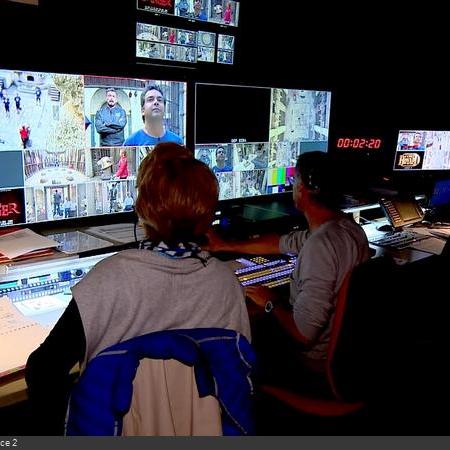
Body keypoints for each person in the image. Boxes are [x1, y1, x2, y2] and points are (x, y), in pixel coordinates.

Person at [25, 142, 250, 435]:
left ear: (141, 208)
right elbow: (239, 377)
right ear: (207, 216)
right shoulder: (227, 284)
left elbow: (43, 371)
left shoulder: (108, 280)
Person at [207, 151, 369, 378]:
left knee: (239, 344)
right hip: (352, 357)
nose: (292, 185)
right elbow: (282, 243)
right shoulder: (347, 229)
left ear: (305, 189)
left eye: (295, 180)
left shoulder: (320, 246)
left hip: (314, 363)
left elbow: (303, 334)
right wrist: (224, 245)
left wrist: (270, 301)